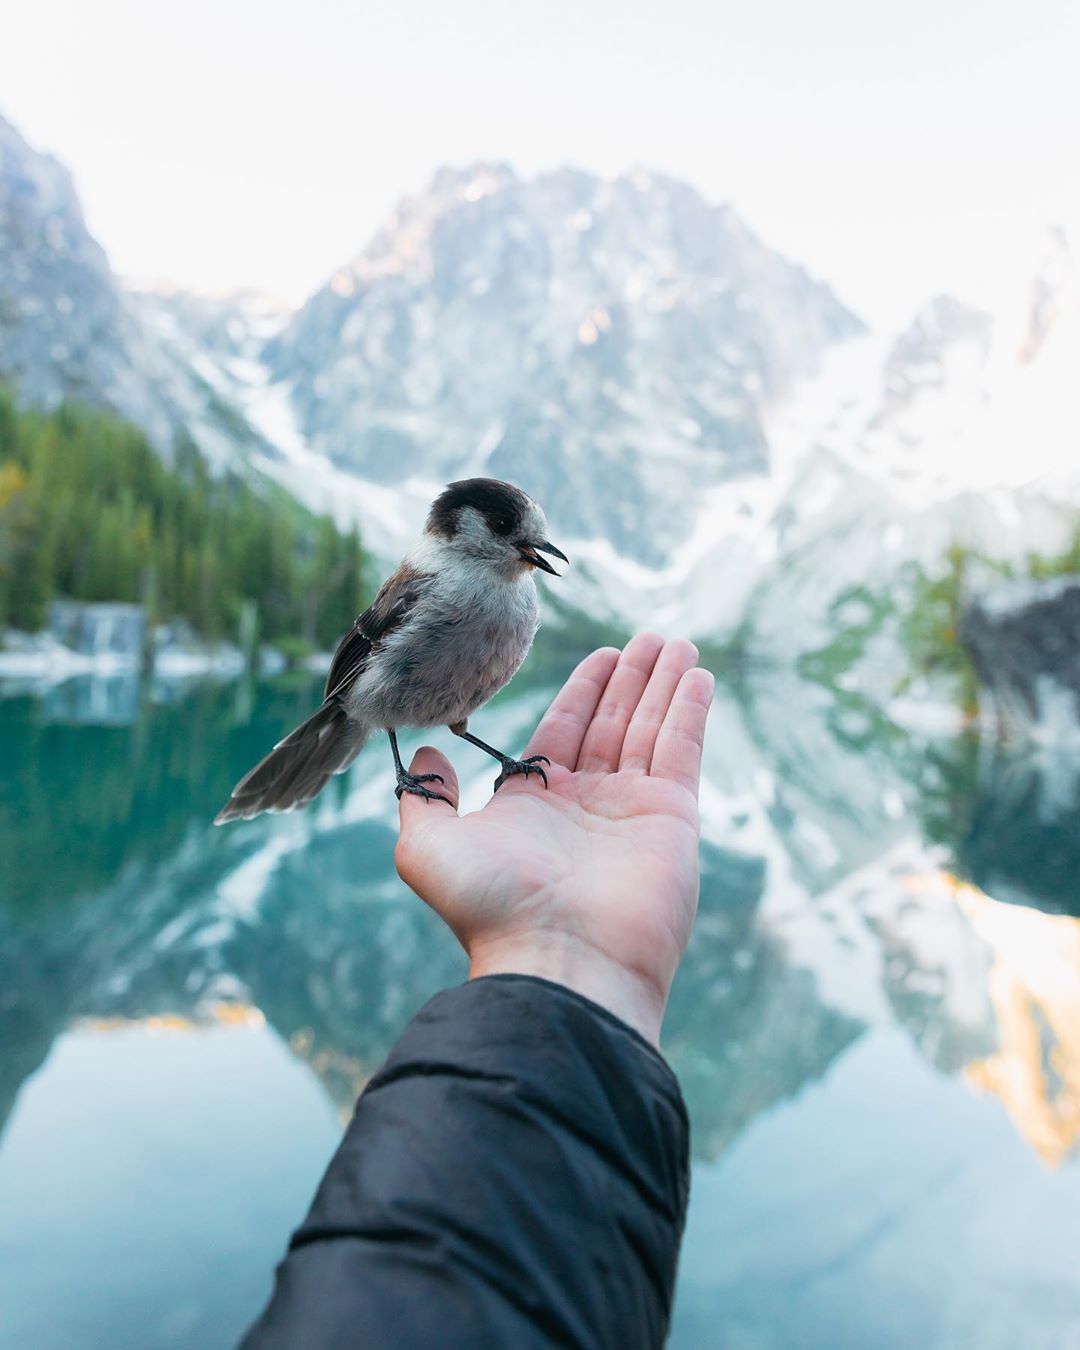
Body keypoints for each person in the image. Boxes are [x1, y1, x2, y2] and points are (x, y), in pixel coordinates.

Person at [241, 633, 714, 1349]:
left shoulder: (514, 599)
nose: (531, 553)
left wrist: (511, 770)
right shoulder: (435, 585)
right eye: (511, 534)